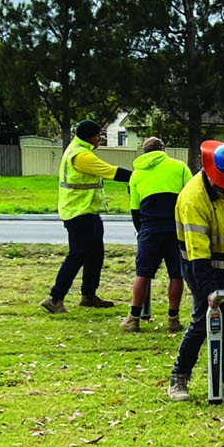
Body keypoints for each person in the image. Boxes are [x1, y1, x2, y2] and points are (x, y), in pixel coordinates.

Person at [168, 141, 224, 403]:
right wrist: (208, 290)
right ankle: (179, 377)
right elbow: (198, 254)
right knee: (202, 323)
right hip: (202, 269)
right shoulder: (193, 199)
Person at [41, 119, 132, 314]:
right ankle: (55, 298)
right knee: (77, 255)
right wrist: (138, 176)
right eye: (98, 135)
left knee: (95, 254)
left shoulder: (79, 148)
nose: (100, 138)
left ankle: (88, 295)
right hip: (78, 212)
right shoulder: (81, 155)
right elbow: (110, 171)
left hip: (88, 211)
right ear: (89, 137)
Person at [121, 137, 193, 333]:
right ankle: (173, 319)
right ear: (163, 149)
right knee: (176, 274)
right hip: (175, 229)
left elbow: (135, 210)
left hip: (149, 229)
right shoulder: (180, 167)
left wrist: (142, 231)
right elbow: (190, 198)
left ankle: (133, 318)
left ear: (145, 152)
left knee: (143, 274)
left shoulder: (136, 174)